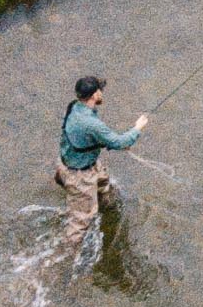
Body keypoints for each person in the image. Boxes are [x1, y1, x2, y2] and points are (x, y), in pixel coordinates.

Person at [55, 74, 147, 246]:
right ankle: (66, 255)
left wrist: (106, 143)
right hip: (80, 177)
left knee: (104, 187)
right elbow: (119, 142)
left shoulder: (74, 107)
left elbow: (86, 138)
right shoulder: (92, 124)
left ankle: (106, 206)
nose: (102, 92)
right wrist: (137, 128)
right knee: (80, 223)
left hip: (71, 163)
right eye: (100, 90)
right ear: (95, 95)